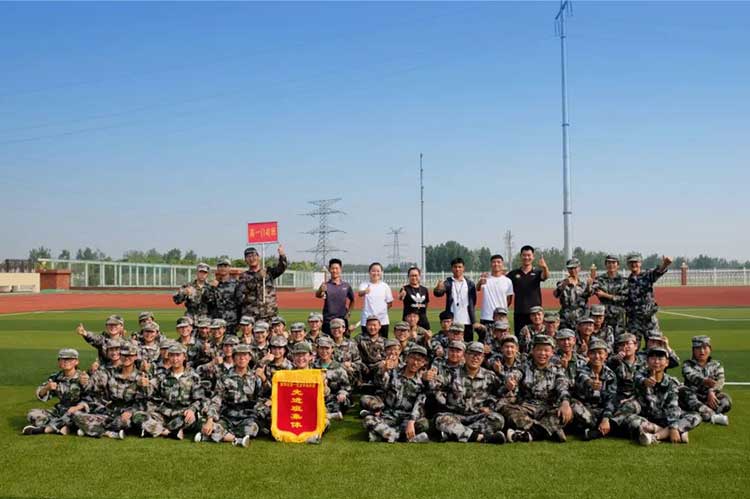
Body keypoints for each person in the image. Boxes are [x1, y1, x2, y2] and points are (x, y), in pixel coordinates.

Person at [501, 335, 572, 443]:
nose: (542, 353)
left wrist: (565, 403)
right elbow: (514, 375)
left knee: (567, 410)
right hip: (527, 408)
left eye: (546, 350)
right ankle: (549, 430)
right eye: (539, 350)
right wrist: (510, 381)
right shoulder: (524, 366)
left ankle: (530, 434)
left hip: (549, 408)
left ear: (552, 352)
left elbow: (563, 386)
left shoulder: (557, 369)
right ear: (533, 351)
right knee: (505, 408)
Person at [624, 347, 701, 446]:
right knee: (631, 420)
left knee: (695, 416)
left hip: (665, 418)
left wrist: (673, 426)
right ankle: (677, 432)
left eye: (660, 359)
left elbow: (672, 407)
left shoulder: (671, 382)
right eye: (653, 358)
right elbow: (638, 379)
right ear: (647, 361)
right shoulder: (639, 374)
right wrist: (645, 382)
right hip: (646, 418)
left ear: (667, 363)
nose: (656, 362)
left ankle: (654, 437)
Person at [433, 342, 506, 444]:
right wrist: (430, 379)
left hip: (477, 416)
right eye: (472, 354)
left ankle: (454, 434)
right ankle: (480, 437)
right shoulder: (452, 373)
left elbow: (502, 393)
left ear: (483, 358)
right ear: (465, 355)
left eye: (479, 355)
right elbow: (435, 386)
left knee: (498, 419)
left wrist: (491, 407)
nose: (475, 358)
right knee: (441, 420)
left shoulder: (489, 376)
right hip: (455, 416)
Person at [197, 344, 262, 448]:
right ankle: (236, 439)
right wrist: (210, 419)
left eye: (245, 355)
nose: (242, 358)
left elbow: (261, 397)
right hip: (227, 416)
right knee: (210, 425)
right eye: (238, 355)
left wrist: (264, 378)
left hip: (247, 417)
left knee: (252, 428)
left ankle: (215, 436)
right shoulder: (224, 377)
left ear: (250, 357)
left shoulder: (255, 378)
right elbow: (216, 399)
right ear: (234, 358)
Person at [363, 345, 431, 443]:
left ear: (423, 363)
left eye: (419, 360)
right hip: (389, 414)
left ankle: (381, 435)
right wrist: (384, 370)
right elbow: (381, 385)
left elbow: (419, 403)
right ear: (407, 358)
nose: (415, 363)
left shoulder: (423, 380)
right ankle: (400, 437)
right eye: (412, 358)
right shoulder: (394, 372)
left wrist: (411, 421)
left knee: (423, 424)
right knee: (368, 420)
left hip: (407, 417)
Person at [138, 344, 205, 440]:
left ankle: (154, 429)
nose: (175, 359)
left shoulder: (193, 377)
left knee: (191, 419)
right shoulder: (162, 376)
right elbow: (150, 393)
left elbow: (199, 400)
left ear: (184, 357)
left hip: (182, 414)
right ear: (168, 357)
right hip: (163, 414)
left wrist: (192, 410)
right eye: (172, 355)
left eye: (178, 355)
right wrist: (145, 385)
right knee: (138, 416)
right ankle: (168, 432)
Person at [23, 349, 90, 435]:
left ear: (76, 362)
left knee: (79, 417)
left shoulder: (83, 377)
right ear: (59, 362)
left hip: (78, 410)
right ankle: (66, 426)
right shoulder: (55, 377)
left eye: (69, 359)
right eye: (63, 359)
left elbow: (91, 398)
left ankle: (48, 428)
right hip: (60, 410)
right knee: (32, 414)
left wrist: (77, 407)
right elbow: (40, 395)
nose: (66, 362)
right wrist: (47, 388)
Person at [571, 339, 618, 440]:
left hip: (601, 411)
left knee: (622, 409)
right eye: (593, 353)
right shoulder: (580, 370)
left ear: (606, 355)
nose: (597, 356)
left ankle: (596, 430)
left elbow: (610, 399)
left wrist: (605, 419)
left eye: (600, 353)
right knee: (573, 405)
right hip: (584, 410)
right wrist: (591, 383)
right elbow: (583, 378)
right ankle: (601, 429)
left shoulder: (610, 375)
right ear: (588, 354)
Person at [679, 335, 731, 426]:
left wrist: (712, 391)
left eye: (705, 348)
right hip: (692, 397)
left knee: (726, 401)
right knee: (683, 391)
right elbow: (691, 376)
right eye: (698, 348)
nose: (702, 351)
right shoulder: (687, 364)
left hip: (709, 398)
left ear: (710, 349)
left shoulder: (717, 365)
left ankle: (701, 414)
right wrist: (705, 381)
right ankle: (712, 416)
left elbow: (720, 381)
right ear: (693, 350)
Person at [624, 254, 672, 348]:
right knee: (632, 347)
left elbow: (658, 272)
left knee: (654, 347)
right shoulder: (626, 281)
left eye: (636, 262)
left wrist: (665, 264)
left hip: (649, 319)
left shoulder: (647, 275)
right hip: (634, 320)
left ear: (640, 263)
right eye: (631, 263)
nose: (633, 264)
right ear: (628, 265)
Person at [235, 245, 288, 322]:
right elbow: (244, 289)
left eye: (254, 255)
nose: (251, 259)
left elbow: (281, 268)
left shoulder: (268, 272)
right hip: (252, 316)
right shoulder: (243, 276)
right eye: (248, 257)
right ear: (245, 260)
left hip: (269, 315)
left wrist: (282, 255)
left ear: (258, 257)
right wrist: (258, 276)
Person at [507, 245, 550, 335]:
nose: (526, 257)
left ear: (533, 257)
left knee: (537, 338)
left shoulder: (537, 272)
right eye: (524, 255)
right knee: (520, 337)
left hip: (535, 313)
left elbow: (545, 277)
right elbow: (503, 283)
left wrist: (544, 267)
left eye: (529, 255)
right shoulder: (513, 274)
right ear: (520, 256)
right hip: (520, 312)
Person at [433, 257, 477, 342]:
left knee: (468, 344)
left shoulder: (470, 284)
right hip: (452, 321)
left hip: (467, 320)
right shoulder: (448, 282)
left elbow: (473, 301)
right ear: (452, 268)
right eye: (455, 267)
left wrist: (473, 320)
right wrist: (438, 288)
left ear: (463, 268)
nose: (457, 269)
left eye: (460, 267)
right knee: (453, 344)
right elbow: (438, 293)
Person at [312, 337, 352, 421]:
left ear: (332, 349)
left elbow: (346, 387)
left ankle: (324, 414)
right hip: (317, 398)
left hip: (333, 398)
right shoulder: (312, 366)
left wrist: (342, 394)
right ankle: (328, 415)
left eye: (327, 348)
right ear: (317, 349)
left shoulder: (339, 368)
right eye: (321, 348)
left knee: (341, 401)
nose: (324, 351)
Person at [477, 254, 514, 343]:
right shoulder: (485, 278)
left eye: (498, 262)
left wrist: (502, 311)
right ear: (491, 264)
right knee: (485, 343)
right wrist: (480, 282)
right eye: (494, 262)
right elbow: (477, 289)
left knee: (503, 342)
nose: (496, 264)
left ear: (502, 264)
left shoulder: (507, 281)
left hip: (502, 318)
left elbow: (509, 299)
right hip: (487, 316)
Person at [316, 258, 355, 336]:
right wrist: (320, 290)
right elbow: (318, 295)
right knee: (327, 341)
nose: (334, 271)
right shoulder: (326, 285)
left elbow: (352, 300)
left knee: (343, 341)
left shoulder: (346, 286)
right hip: (328, 320)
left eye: (337, 268)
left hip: (342, 320)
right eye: (332, 268)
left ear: (340, 269)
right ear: (329, 269)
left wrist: (349, 312)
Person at [553, 258, 592, 330]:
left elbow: (588, 295)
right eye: (570, 268)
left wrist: (589, 286)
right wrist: (564, 285)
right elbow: (555, 294)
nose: (573, 270)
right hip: (566, 317)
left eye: (575, 268)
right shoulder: (562, 282)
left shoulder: (583, 284)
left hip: (581, 317)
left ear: (579, 268)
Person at [593, 255, 628, 335]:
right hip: (603, 316)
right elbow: (594, 291)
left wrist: (605, 295)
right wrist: (590, 283)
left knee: (619, 339)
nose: (611, 265)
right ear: (605, 265)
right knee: (603, 338)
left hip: (618, 317)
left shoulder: (623, 281)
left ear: (618, 265)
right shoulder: (600, 279)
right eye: (609, 263)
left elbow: (624, 298)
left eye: (613, 262)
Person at [206, 258, 240, 336]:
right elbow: (208, 302)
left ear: (229, 268)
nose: (223, 268)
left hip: (231, 322)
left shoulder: (236, 284)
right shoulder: (212, 285)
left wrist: (239, 321)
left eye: (225, 266)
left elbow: (240, 303)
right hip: (216, 321)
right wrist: (212, 288)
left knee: (230, 342)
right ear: (217, 268)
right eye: (220, 266)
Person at [358, 262, 393, 338]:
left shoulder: (385, 286)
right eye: (373, 271)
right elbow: (360, 293)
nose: (376, 273)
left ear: (381, 272)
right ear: (369, 272)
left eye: (378, 271)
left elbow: (390, 303)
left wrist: (381, 312)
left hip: (382, 321)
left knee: (383, 342)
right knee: (366, 342)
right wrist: (365, 291)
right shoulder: (364, 284)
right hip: (367, 320)